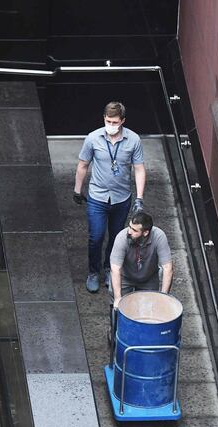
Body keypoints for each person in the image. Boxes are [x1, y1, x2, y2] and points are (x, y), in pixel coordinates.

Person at [73, 101, 146, 293]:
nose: (111, 125)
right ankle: (93, 272)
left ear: (122, 121)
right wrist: (77, 190)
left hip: (121, 198)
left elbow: (139, 168)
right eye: (108, 121)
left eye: (115, 122)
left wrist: (139, 198)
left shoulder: (133, 140)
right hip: (97, 197)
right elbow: (83, 165)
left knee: (116, 237)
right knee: (96, 237)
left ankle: (109, 269)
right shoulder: (93, 138)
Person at [109, 211, 173, 308]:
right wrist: (118, 298)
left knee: (149, 308)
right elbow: (115, 269)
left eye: (134, 230)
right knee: (117, 305)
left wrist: (163, 296)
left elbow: (168, 268)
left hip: (148, 278)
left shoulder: (159, 237)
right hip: (125, 277)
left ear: (145, 232)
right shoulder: (121, 238)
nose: (129, 232)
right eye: (129, 227)